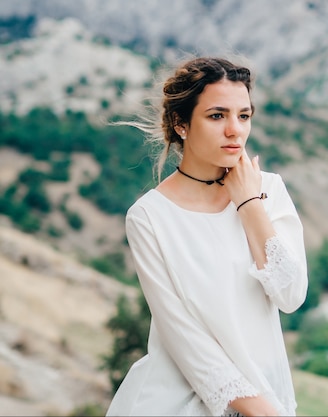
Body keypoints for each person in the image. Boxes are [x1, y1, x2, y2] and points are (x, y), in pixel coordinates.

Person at [105, 56, 308, 416]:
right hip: (174, 403)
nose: (235, 130)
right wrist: (263, 412)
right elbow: (183, 337)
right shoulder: (149, 217)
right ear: (181, 124)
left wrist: (248, 202)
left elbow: (290, 294)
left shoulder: (269, 191)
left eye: (243, 115)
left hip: (268, 398)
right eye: (217, 116)